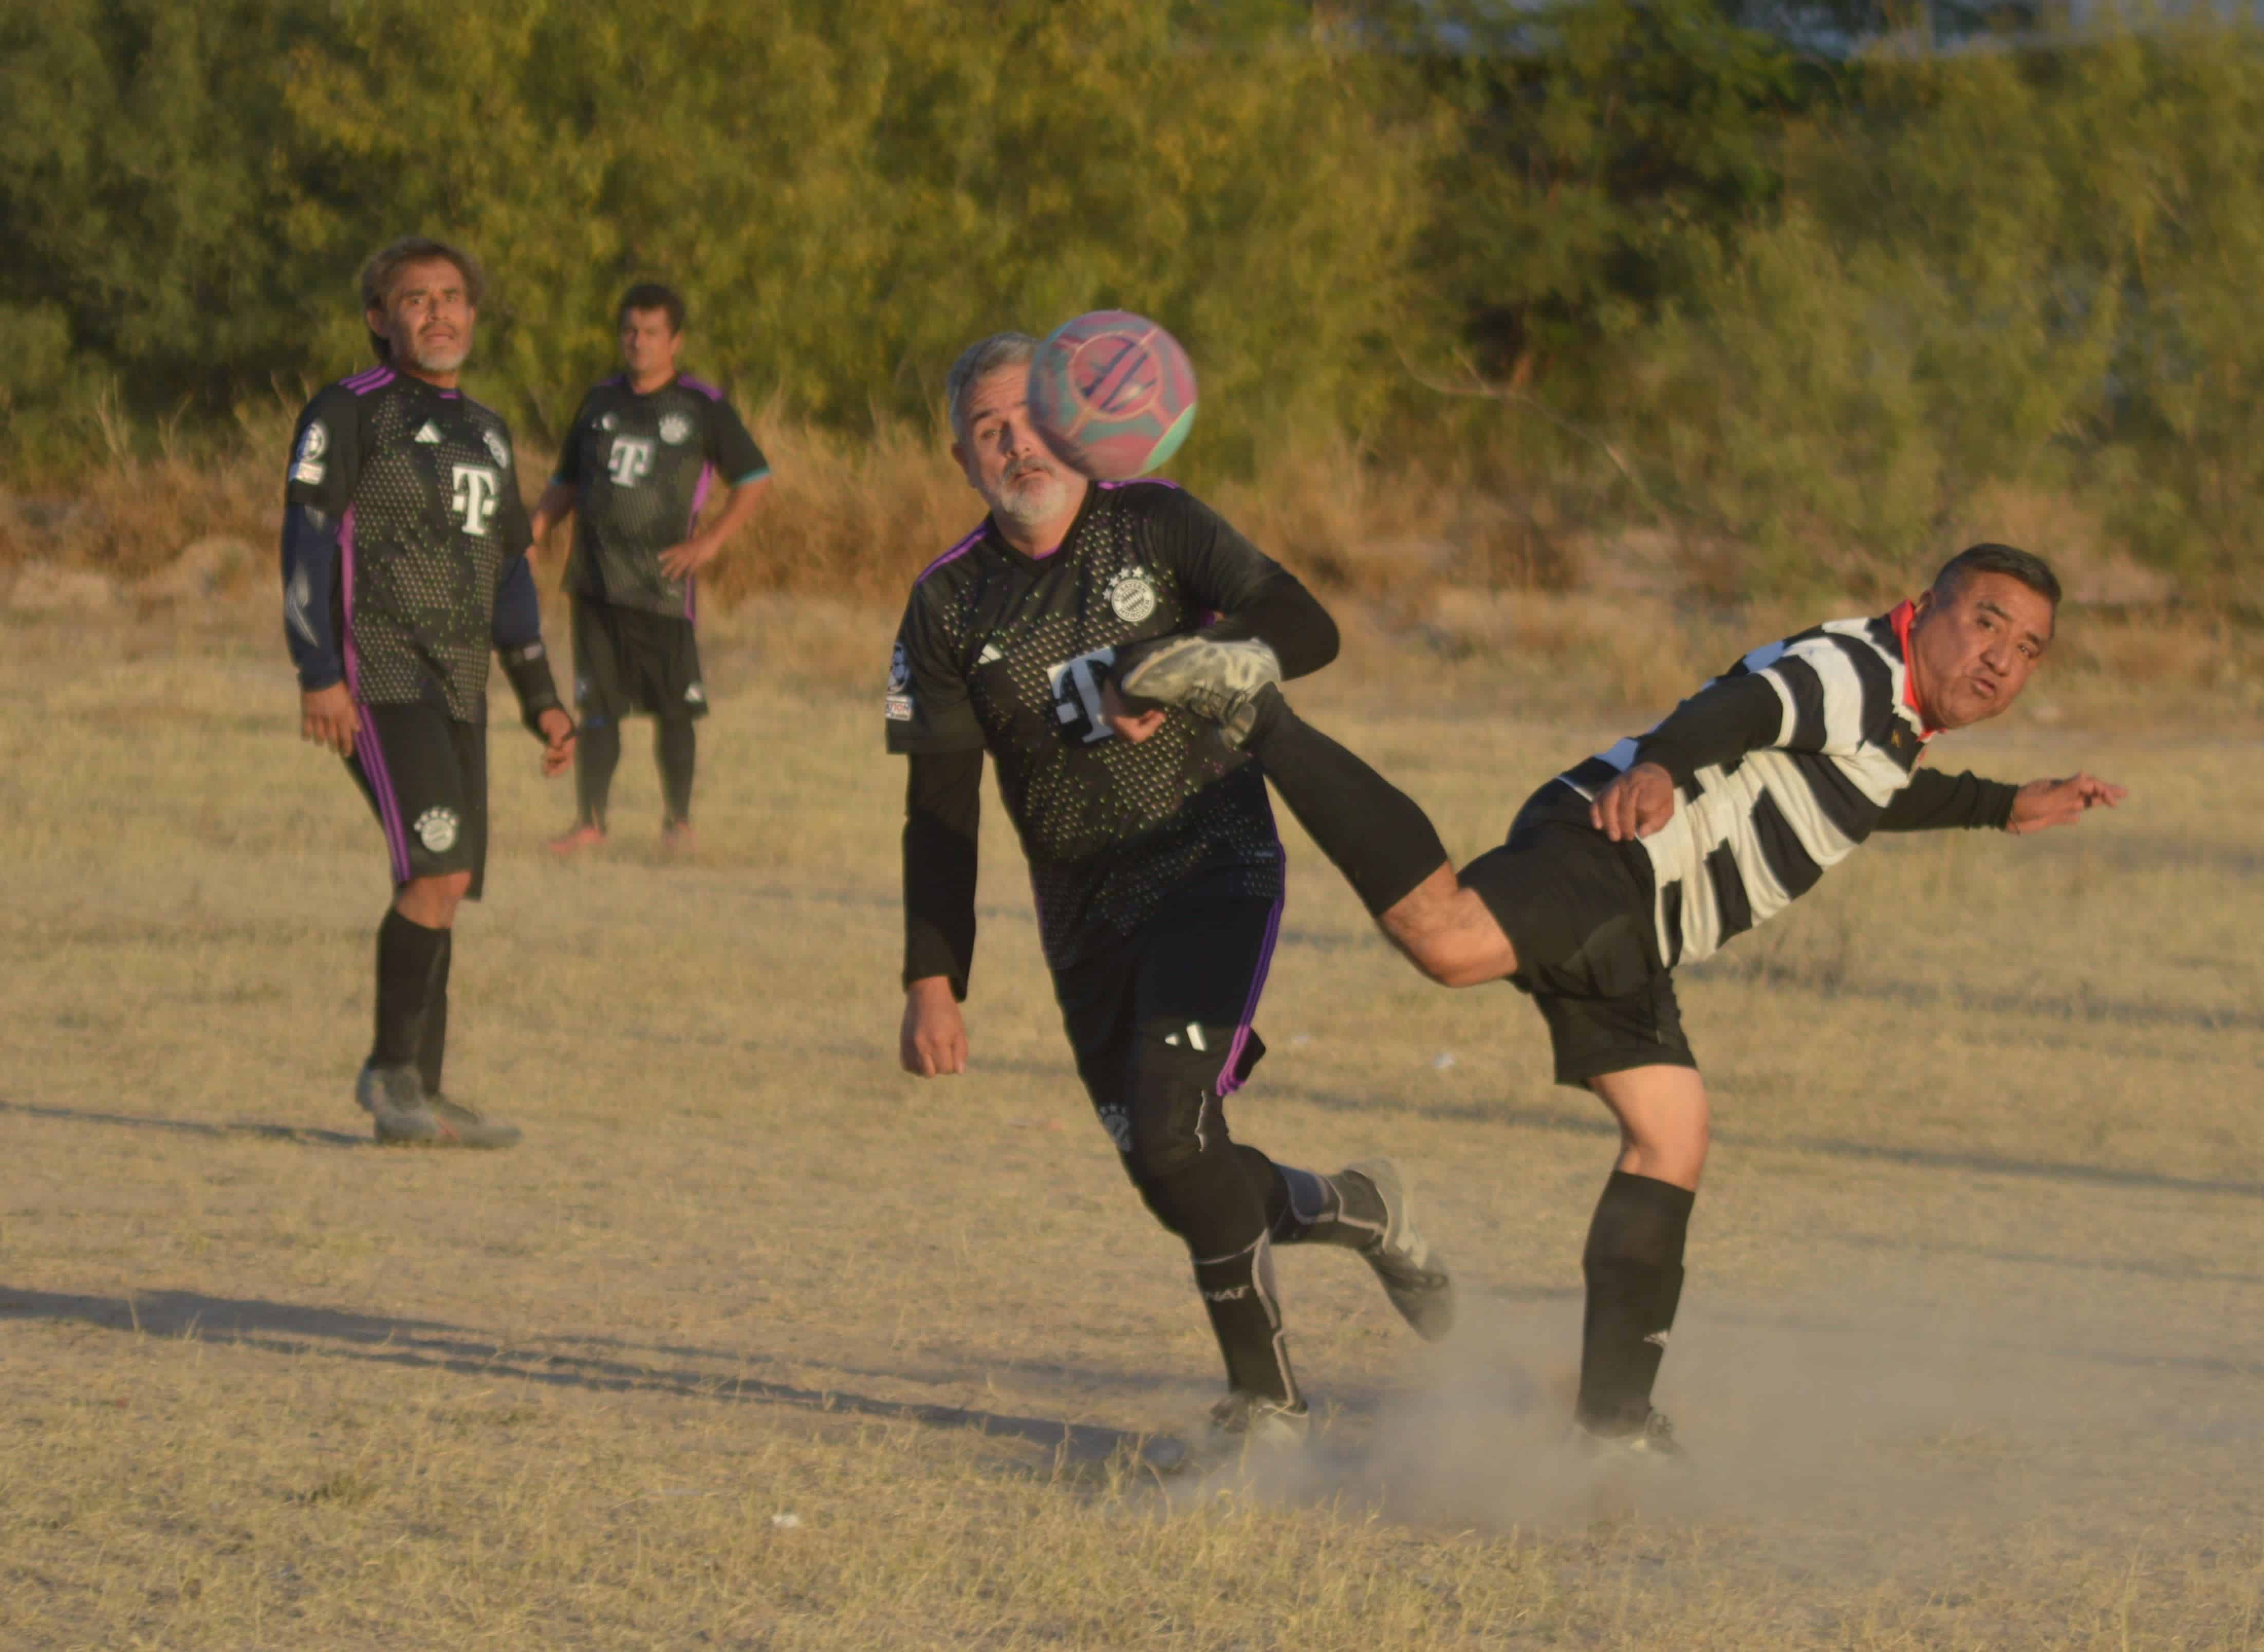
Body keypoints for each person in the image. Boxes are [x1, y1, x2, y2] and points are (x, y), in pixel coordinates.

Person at [1118, 543, 2127, 1453]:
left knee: (1669, 1129)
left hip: (1640, 915)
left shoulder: (1888, 711)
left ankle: (1614, 1426)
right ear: (1926, 608)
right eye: (1987, 621)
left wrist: (2000, 805)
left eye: (2029, 647)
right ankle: (1261, 712)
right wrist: (1661, 763)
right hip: (1613, 852)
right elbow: (1750, 707)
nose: (2002, 657)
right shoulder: (1854, 670)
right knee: (1449, 937)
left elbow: (1866, 786)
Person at [888, 332, 1456, 1450]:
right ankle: (1361, 1206)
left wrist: (1194, 664)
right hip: (1081, 911)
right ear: (960, 456)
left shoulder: (1156, 521)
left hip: (1210, 860)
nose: (1017, 442)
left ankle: (1270, 1409)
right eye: (988, 429)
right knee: (1174, 1168)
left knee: (1170, 1131)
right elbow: (938, 813)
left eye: (1031, 415)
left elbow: (1308, 626)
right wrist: (930, 977)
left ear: (1075, 419)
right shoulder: (947, 605)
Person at [281, 235, 577, 1148]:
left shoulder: (486, 429)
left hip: (460, 686)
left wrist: (543, 700)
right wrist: (320, 672)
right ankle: (389, 1074)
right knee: (436, 869)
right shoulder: (347, 411)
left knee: (440, 882)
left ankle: (426, 1096)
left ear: (474, 313)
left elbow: (510, 571)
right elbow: (303, 543)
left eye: (453, 296)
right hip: (381, 675)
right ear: (380, 318)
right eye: (415, 299)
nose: (438, 313)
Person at [533, 283, 771, 857]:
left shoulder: (699, 405)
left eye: (650, 333)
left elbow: (754, 477)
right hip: (594, 580)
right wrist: (531, 535)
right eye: (629, 331)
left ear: (676, 341)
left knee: (674, 709)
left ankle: (678, 824)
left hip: (662, 586)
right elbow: (565, 481)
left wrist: (711, 541)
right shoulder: (598, 403)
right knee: (598, 707)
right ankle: (590, 822)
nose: (637, 342)